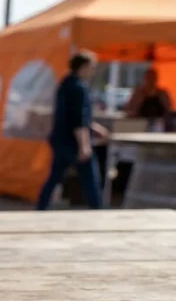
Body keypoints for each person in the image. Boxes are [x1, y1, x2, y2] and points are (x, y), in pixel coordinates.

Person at [36, 51, 111, 210]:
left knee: (54, 178)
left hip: (60, 140)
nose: (93, 71)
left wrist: (96, 128)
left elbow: (72, 115)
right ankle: (97, 212)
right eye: (92, 67)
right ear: (83, 67)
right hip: (74, 143)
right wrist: (84, 145)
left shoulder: (64, 84)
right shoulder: (79, 88)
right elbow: (79, 119)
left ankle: (40, 208)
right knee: (91, 180)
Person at [125, 68, 172, 132]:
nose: (151, 80)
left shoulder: (162, 93)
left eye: (153, 77)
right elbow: (129, 109)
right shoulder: (138, 93)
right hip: (140, 124)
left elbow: (169, 109)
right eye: (149, 77)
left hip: (159, 125)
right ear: (145, 78)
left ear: (156, 78)